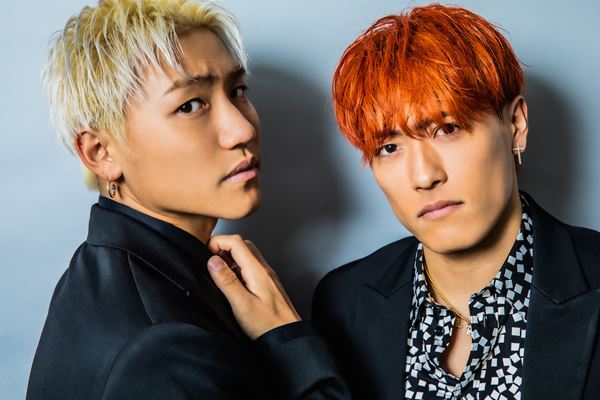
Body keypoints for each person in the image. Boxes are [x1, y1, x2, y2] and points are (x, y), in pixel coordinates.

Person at [206, 4, 600, 400]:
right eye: (389, 148)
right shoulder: (347, 302)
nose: (424, 177)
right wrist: (288, 342)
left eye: (448, 129)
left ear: (515, 125)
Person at [27, 1, 350, 399]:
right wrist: (287, 338)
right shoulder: (162, 350)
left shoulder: (110, 273)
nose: (242, 129)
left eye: (238, 91)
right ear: (101, 153)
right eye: (190, 105)